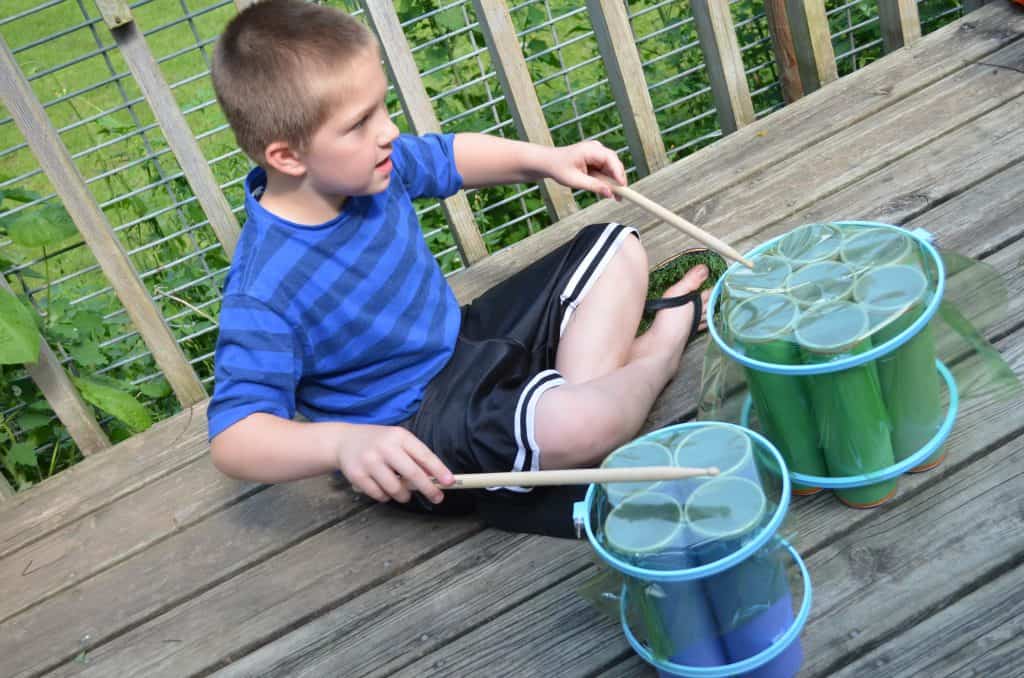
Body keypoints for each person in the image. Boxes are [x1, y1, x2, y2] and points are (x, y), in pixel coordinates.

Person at [206, 0, 710, 537]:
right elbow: (235, 437)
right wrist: (344, 442)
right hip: (418, 426)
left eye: (382, 108)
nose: (389, 131)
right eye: (359, 123)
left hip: (469, 339)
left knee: (617, 248)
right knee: (589, 422)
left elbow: (450, 158)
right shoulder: (265, 288)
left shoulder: (371, 165)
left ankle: (547, 443)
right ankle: (657, 352)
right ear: (287, 157)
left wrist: (548, 159)